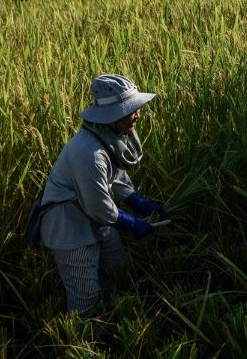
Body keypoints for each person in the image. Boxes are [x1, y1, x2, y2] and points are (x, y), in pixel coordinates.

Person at [37, 73, 170, 317]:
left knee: (118, 268)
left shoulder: (110, 135)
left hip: (95, 213)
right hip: (69, 223)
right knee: (85, 294)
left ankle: (110, 319)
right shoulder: (89, 153)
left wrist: (138, 201)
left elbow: (115, 176)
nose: (137, 115)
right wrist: (133, 223)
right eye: (131, 110)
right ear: (113, 115)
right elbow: (100, 208)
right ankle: (77, 338)